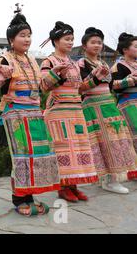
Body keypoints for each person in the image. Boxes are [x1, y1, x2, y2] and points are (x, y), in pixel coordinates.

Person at [0, 9, 60, 216]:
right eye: (22, 36)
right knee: (21, 156)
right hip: (15, 114)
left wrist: (55, 74)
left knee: (36, 156)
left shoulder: (32, 60)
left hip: (34, 113)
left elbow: (43, 87)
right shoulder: (4, 60)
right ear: (11, 39)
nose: (27, 39)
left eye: (29, 35)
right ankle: (19, 198)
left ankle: (30, 196)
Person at [40, 21, 98, 202]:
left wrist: (96, 79)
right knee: (63, 150)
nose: (71, 42)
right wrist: (55, 74)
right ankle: (63, 187)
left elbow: (79, 88)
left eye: (72, 39)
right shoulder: (49, 61)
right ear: (56, 41)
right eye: (67, 39)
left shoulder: (73, 63)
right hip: (58, 112)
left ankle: (73, 185)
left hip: (75, 110)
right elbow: (43, 86)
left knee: (78, 148)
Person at [78, 27, 136, 193]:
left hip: (107, 103)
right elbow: (80, 88)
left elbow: (110, 86)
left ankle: (112, 178)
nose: (97, 45)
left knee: (115, 140)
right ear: (84, 46)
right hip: (93, 105)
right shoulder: (81, 64)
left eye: (99, 42)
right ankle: (108, 180)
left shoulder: (103, 63)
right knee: (102, 142)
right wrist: (95, 77)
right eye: (93, 42)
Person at [111, 32, 137, 180]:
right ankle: (133, 170)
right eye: (136, 46)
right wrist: (129, 80)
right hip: (128, 103)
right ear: (125, 49)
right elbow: (113, 86)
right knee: (133, 136)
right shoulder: (118, 66)